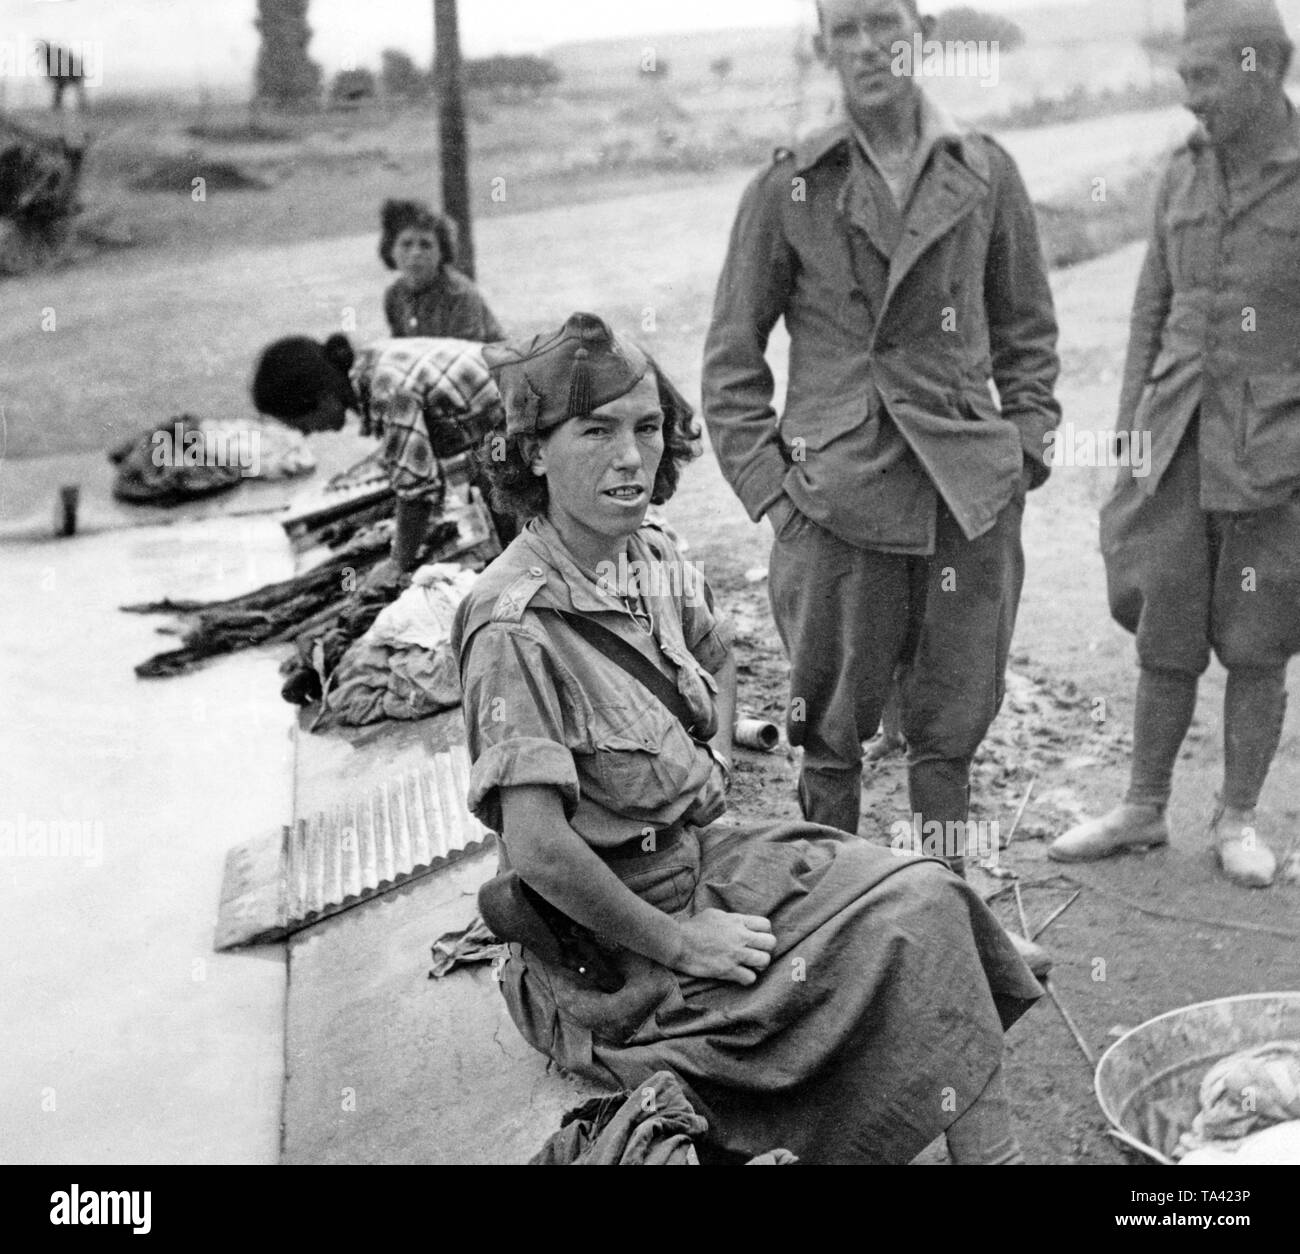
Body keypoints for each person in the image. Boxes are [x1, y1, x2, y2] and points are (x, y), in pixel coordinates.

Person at [451, 311, 1044, 1165]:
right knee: (914, 926)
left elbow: (715, 657)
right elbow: (539, 850)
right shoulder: (511, 623)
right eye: (596, 431)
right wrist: (681, 943)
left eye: (648, 428)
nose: (631, 457)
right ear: (533, 452)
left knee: (932, 897)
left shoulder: (648, 554)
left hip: (706, 859)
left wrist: (717, 756)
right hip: (616, 952)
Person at [701, 2, 1061, 903]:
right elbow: (730, 360)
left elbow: (1027, 334)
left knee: (949, 732)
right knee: (830, 736)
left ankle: (945, 911)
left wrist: (1020, 458)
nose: (868, 46)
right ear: (824, 47)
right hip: (835, 504)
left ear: (922, 31)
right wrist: (777, 498)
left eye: (884, 21)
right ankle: (834, 928)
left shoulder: (983, 171)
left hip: (964, 499)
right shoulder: (789, 185)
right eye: (846, 28)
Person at [1050, 0, 1300, 888]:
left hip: (1274, 451)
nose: (1190, 98)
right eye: (1183, 76)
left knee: (1259, 637)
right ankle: (1142, 808)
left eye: (1205, 77)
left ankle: (1237, 819)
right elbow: (1150, 307)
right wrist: (1127, 434)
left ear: (1265, 66)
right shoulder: (1181, 174)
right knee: (1165, 624)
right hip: (1177, 434)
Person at [250, 332, 512, 573]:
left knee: (514, 518)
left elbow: (417, 494)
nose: (310, 433)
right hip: (501, 412)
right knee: (497, 505)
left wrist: (396, 564)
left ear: (322, 399)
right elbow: (422, 461)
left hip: (526, 410)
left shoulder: (387, 390)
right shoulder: (366, 367)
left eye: (305, 424)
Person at [379, 199, 505, 343]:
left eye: (426, 245)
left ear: (442, 252)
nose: (415, 253)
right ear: (390, 250)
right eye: (406, 244)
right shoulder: (394, 295)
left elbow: (467, 353)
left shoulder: (459, 294)